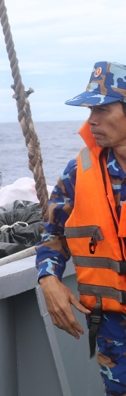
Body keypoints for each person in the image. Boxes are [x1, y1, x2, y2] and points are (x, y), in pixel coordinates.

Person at [37, 61, 126, 394]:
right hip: (113, 331)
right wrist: (48, 278)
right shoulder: (79, 171)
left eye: (102, 108)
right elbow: (53, 233)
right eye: (90, 109)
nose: (92, 120)